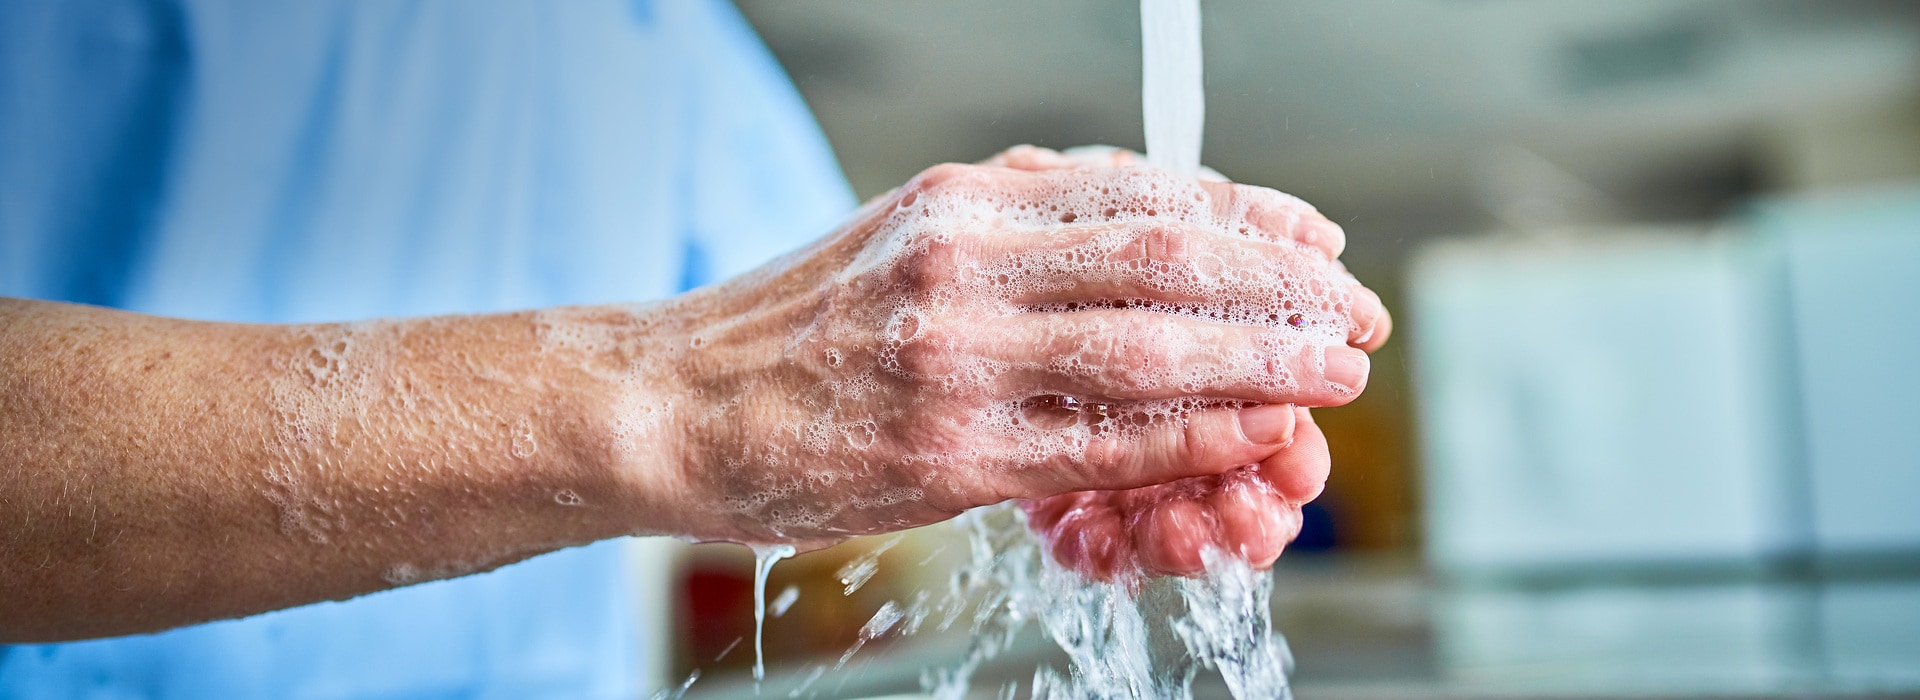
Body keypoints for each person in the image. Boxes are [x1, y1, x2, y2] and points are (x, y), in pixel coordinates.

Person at [0, 1, 1389, 697]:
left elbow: (824, 313)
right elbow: (726, 367)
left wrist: (1045, 333)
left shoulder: (653, 34)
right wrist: (675, 402)